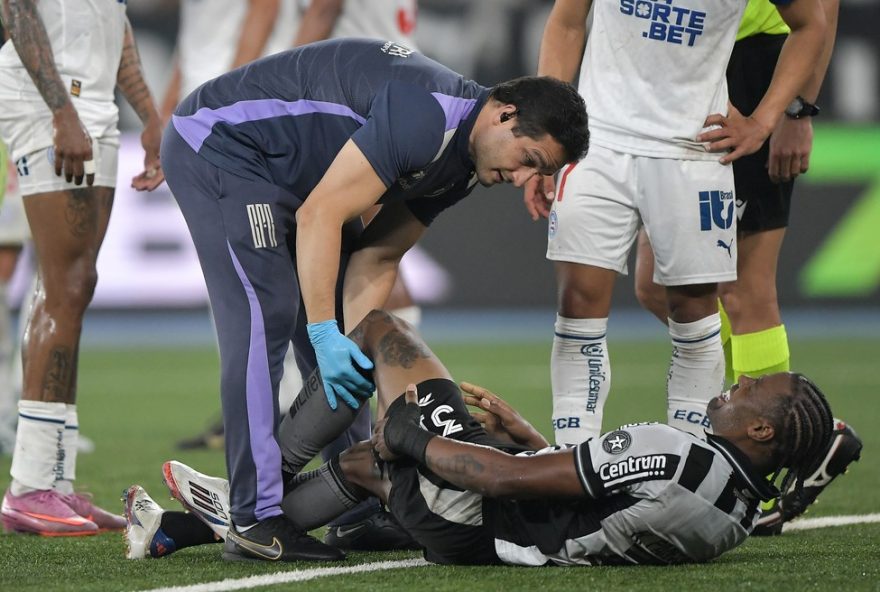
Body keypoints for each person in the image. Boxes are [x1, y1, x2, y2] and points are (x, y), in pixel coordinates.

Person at [160, 38, 589, 561]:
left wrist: (351, 344)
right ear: (505, 114)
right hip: (223, 146)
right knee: (266, 314)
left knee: (346, 348)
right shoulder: (426, 119)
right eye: (528, 160)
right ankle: (253, 517)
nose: (521, 180)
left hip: (293, 179)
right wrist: (325, 334)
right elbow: (321, 215)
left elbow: (377, 257)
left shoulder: (461, 164)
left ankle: (355, 507)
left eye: (537, 175)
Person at [124, 309, 836, 565]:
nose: (740, 381)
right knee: (368, 466)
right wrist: (530, 438)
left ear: (761, 429)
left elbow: (501, 479)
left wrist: (414, 437)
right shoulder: (744, 509)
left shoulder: (676, 449)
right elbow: (604, 508)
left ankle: (252, 495)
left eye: (754, 391)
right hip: (501, 537)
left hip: (477, 510)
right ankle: (192, 530)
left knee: (379, 332)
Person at [523, 0, 827, 446]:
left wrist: (765, 121)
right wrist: (546, 133)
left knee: (694, 312)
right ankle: (572, 457)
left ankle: (692, 462)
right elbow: (567, 22)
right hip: (598, 142)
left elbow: (812, 23)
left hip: (692, 151)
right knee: (578, 306)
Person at [632, 0, 861, 536]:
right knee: (657, 285)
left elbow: (821, 10)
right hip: (685, 66)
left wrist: (797, 112)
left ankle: (764, 463)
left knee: (743, 289)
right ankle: (811, 434)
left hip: (752, 67)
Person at [0, 0, 164, 535]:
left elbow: (115, 21)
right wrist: (60, 111)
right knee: (64, 287)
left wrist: (150, 114)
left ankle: (55, 481)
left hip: (94, 103)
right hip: (48, 100)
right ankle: (29, 488)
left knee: (74, 285)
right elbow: (17, 10)